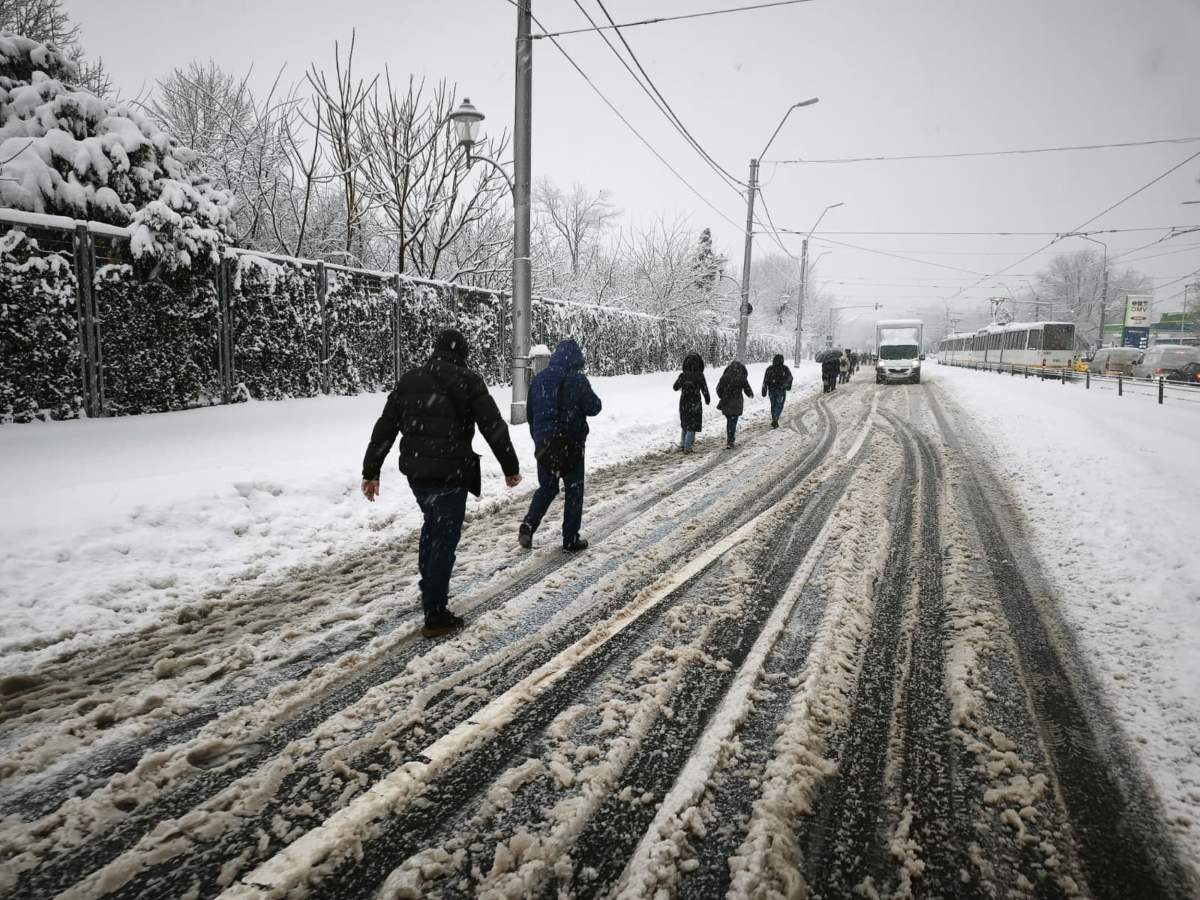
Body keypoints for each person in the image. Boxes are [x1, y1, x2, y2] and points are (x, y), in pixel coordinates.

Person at [361, 329, 522, 638]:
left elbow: (385, 427)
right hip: (451, 473)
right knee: (444, 539)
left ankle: (430, 588)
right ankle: (435, 612)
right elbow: (493, 426)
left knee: (433, 525)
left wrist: (371, 471)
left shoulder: (409, 380)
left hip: (417, 475)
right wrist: (510, 467)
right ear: (463, 354)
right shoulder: (469, 381)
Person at [519, 339, 602, 552]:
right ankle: (570, 538)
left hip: (545, 445)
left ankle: (529, 524)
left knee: (547, 488)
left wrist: (539, 440)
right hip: (571, 445)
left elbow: (530, 414)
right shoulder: (578, 380)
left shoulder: (539, 379)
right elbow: (594, 407)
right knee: (574, 490)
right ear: (576, 360)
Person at [673, 353, 710, 452]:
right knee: (692, 425)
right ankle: (688, 447)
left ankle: (682, 444)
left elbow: (675, 387)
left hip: (683, 403)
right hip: (695, 403)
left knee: (685, 424)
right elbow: (705, 389)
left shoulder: (683, 375)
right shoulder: (700, 376)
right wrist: (707, 399)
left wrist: (682, 381)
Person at [715, 360, 753, 449]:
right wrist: (750, 394)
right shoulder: (742, 377)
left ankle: (730, 438)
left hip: (726, 402)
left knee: (729, 420)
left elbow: (718, 389)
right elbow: (747, 388)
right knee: (733, 421)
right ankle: (730, 439)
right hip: (737, 402)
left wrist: (722, 396)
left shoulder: (725, 377)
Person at [761, 353, 793, 428]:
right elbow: (790, 378)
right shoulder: (785, 368)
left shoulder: (769, 369)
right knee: (779, 405)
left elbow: (765, 380)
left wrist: (764, 390)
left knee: (773, 405)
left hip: (771, 390)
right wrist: (788, 386)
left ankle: (774, 418)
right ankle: (776, 417)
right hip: (781, 390)